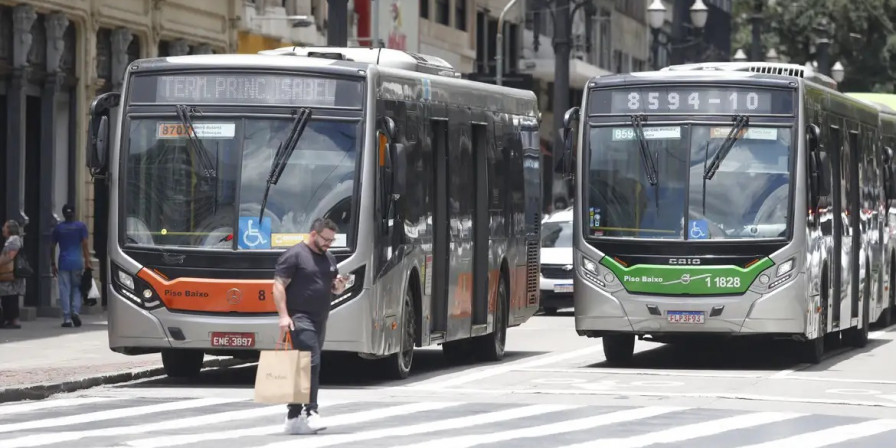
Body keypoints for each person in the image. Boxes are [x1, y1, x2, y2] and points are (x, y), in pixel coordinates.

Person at [273, 218, 347, 435]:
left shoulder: (329, 257)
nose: (329, 244)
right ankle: (311, 411)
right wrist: (284, 316)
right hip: (299, 317)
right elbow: (277, 286)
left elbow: (332, 287)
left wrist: (339, 286)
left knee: (301, 367)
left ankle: (293, 416)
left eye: (332, 240)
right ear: (313, 234)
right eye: (326, 239)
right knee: (311, 362)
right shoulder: (295, 255)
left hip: (319, 318)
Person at [51, 204, 90, 328]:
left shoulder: (58, 228)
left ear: (63, 214)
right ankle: (76, 312)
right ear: (74, 213)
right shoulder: (81, 227)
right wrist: (87, 261)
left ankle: (67, 318)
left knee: (64, 290)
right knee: (77, 289)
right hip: (77, 262)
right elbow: (84, 245)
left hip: (63, 262)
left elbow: (52, 246)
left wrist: (52, 263)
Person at [0, 220, 26, 329]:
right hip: (8, 273)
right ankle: (9, 320)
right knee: (7, 297)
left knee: (10, 297)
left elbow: (10, 256)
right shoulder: (11, 240)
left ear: (10, 229)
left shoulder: (14, 240)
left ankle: (14, 321)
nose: (3, 229)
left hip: (11, 273)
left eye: (5, 227)